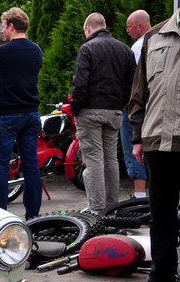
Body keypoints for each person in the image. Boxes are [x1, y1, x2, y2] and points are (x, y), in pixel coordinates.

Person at [127, 8, 180, 282]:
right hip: (158, 140)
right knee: (160, 214)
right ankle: (161, 280)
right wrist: (137, 137)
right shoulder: (154, 36)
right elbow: (140, 93)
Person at [70, 13, 136, 214]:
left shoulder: (87, 48)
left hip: (89, 111)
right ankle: (112, 206)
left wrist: (75, 108)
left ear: (88, 29)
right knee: (111, 159)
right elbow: (132, 84)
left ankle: (97, 209)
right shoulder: (125, 49)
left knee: (94, 159)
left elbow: (80, 83)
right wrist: (122, 103)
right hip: (114, 112)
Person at [0, 7, 43, 219]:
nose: (1, 31)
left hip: (7, 116)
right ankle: (33, 214)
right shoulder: (36, 50)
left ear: (12, 26)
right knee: (31, 165)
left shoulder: (0, 52)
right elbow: (20, 77)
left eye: (3, 26)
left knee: (0, 165)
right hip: (31, 114)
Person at [120, 9, 150, 199]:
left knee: (134, 145)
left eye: (129, 27)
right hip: (152, 106)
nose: (127, 31)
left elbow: (135, 82)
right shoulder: (157, 42)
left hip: (135, 107)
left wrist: (126, 103)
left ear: (140, 26)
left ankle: (139, 194)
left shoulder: (139, 47)